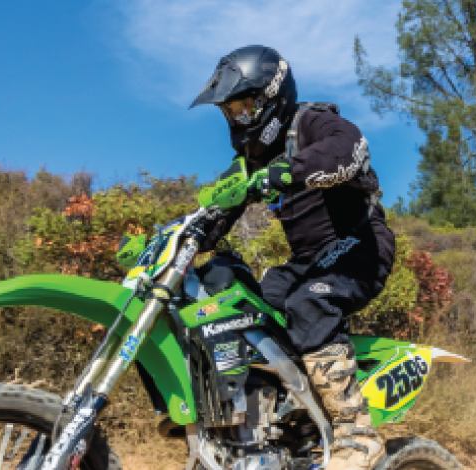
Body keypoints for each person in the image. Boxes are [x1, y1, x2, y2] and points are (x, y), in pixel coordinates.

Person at [190, 45, 393, 470]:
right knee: (247, 306)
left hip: (358, 244)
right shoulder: (250, 161)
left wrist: (286, 171)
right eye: (231, 112)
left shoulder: (312, 122)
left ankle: (358, 435)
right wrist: (180, 237)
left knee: (309, 302)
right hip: (309, 261)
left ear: (273, 97)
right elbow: (216, 211)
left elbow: (348, 150)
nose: (239, 119)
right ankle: (286, 421)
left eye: (246, 107)